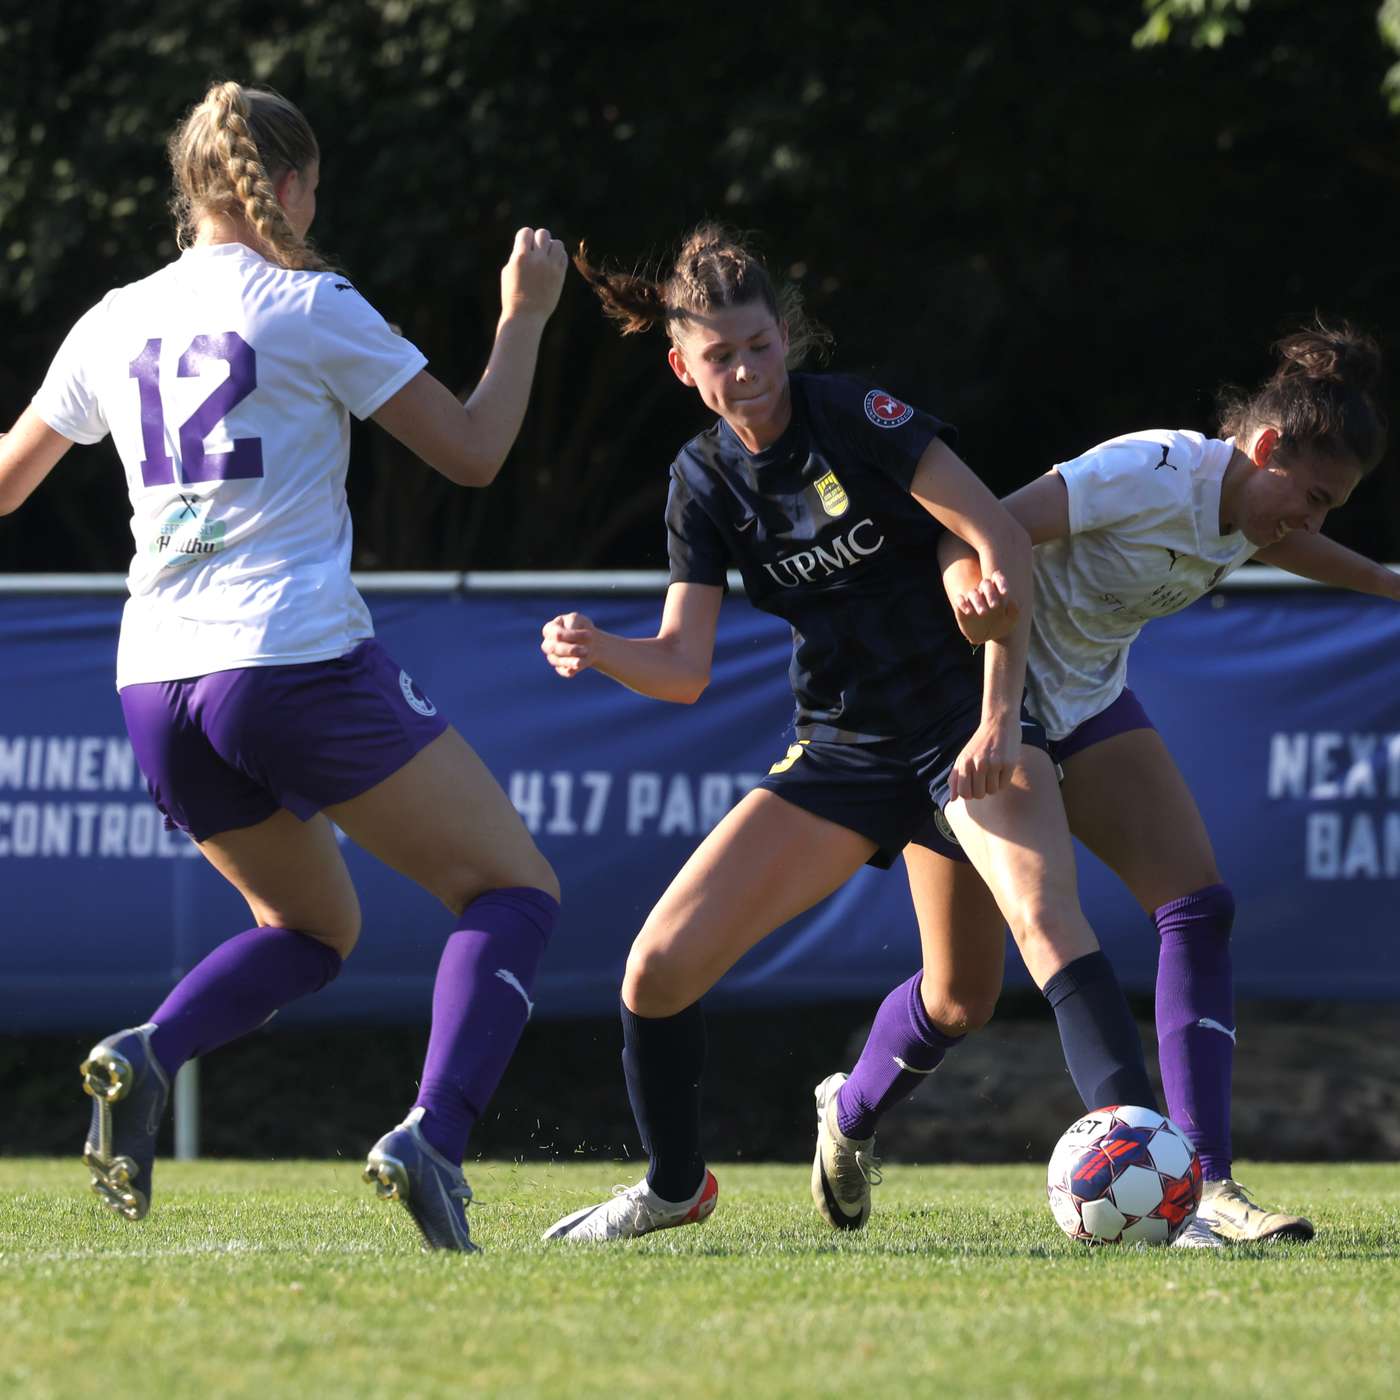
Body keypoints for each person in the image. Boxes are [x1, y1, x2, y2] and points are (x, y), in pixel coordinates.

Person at [0, 80, 569, 1253]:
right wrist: (523, 316)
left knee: (310, 926)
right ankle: (432, 1136)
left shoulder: (113, 317)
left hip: (154, 682)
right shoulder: (308, 303)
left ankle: (146, 1050)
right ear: (294, 185)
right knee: (511, 890)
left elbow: (6, 483)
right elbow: (470, 452)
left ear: (185, 189)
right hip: (289, 657)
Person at [535, 223, 1168, 1244]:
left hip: (963, 726)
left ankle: (1156, 1176)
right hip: (841, 748)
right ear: (680, 368)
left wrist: (1002, 717)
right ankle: (671, 1184)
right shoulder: (699, 481)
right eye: (718, 357)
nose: (745, 373)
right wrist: (600, 647)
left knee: (1018, 951)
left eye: (758, 346)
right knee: (654, 968)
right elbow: (684, 667)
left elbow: (997, 537)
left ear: (785, 336)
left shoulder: (858, 416)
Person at [828, 319, 1390, 1246]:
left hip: (1085, 706)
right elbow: (984, 527)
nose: (1313, 522)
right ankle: (847, 1116)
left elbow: (1293, 545)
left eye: (1332, 509)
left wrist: (1385, 582)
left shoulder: (1256, 507)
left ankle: (1206, 1183)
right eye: (1314, 497)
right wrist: (969, 582)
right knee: (960, 996)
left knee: (1199, 906)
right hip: (972, 710)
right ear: (1268, 446)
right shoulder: (1154, 469)